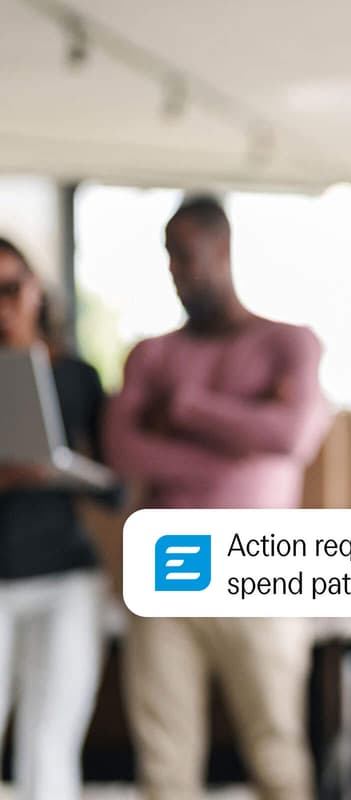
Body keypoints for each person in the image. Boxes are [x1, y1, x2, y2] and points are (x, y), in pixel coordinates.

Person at [103, 196, 330, 800]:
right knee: (163, 760)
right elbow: (123, 450)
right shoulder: (151, 354)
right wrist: (238, 442)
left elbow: (293, 437)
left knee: (277, 749)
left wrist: (184, 408)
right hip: (163, 569)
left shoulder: (290, 342)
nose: (177, 271)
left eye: (186, 255)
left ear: (222, 249)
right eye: (169, 259)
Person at [0, 237, 116, 800]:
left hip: (66, 571)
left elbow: (115, 479)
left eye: (11, 288)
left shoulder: (77, 376)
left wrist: (65, 471)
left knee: (51, 742)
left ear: (35, 289)